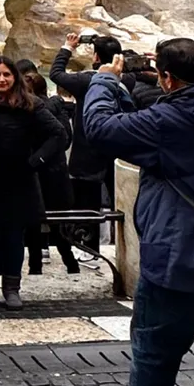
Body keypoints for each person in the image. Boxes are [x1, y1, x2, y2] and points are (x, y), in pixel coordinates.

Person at [84, 37, 194, 386]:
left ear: (166, 79)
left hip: (177, 267)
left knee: (154, 365)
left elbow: (99, 128)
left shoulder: (166, 122)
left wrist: (103, 81)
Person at [0, 56, 65, 310]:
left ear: (15, 78)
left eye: (7, 75)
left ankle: (12, 288)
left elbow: (58, 134)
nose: (2, 80)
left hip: (19, 181)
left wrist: (36, 161)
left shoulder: (30, 104)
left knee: (13, 237)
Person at [50, 32, 135, 259]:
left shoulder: (86, 81)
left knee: (87, 203)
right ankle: (125, 251)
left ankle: (89, 250)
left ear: (96, 56)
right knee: (121, 201)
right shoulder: (126, 80)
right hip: (117, 148)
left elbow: (56, 74)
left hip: (88, 150)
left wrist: (68, 47)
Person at [22, 71, 79, 275]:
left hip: (38, 173)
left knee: (34, 226)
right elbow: (66, 139)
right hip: (56, 175)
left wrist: (35, 159)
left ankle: (35, 268)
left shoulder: (34, 111)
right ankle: (71, 265)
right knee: (59, 225)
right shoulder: (59, 109)